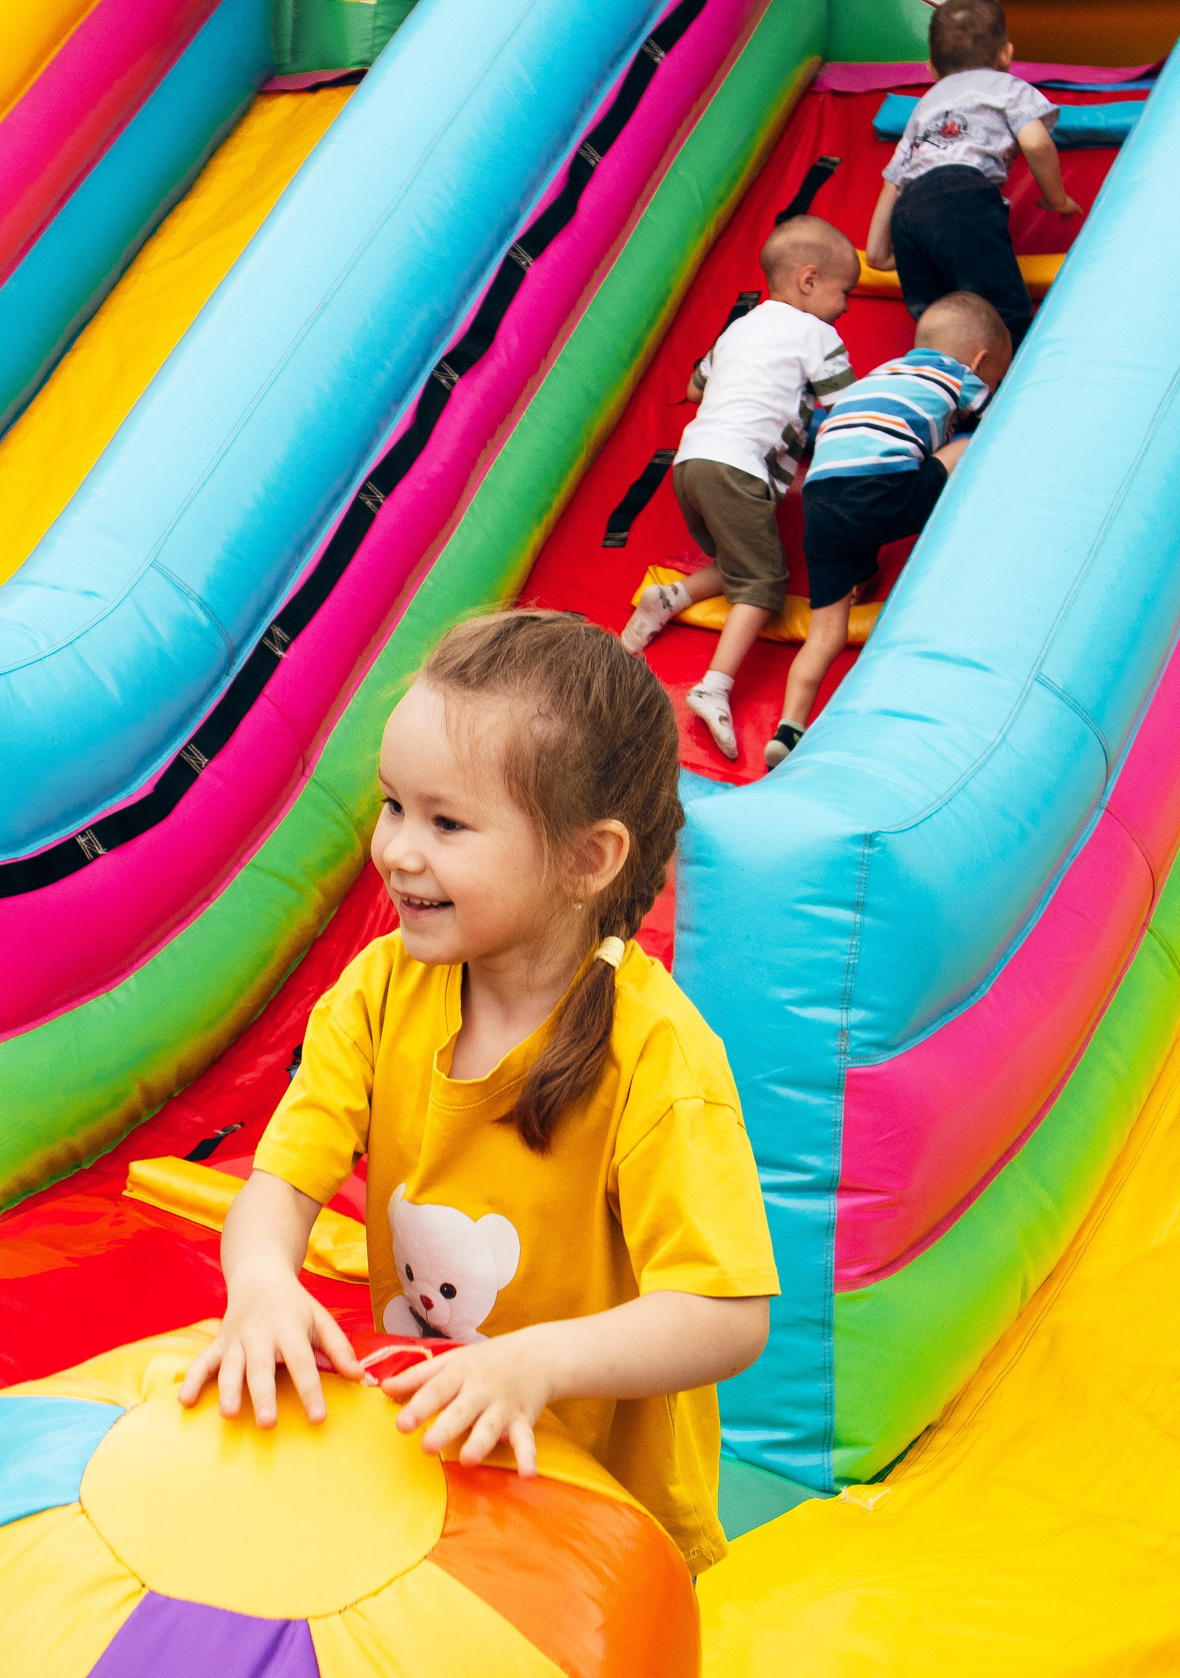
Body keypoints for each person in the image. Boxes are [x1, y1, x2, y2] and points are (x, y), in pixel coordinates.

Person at [179, 610, 780, 1573]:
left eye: (447, 822)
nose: (397, 850)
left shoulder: (657, 1058)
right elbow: (281, 1184)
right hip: (429, 1478)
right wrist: (259, 1282)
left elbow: (726, 1312)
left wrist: (536, 1363)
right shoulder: (380, 992)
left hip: (601, 1535)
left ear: (589, 858)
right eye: (393, 806)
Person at [621, 215, 859, 760]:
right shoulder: (818, 334)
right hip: (738, 470)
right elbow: (849, 408)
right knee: (764, 583)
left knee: (740, 560)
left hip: (691, 464)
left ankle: (669, 598)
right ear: (808, 279)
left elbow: (692, 386)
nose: (846, 306)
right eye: (843, 291)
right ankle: (715, 687)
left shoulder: (740, 327)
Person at [766, 292, 1011, 769]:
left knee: (825, 632)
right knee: (967, 443)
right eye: (992, 375)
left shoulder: (881, 374)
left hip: (819, 497)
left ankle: (787, 728)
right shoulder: (958, 374)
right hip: (878, 491)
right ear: (979, 361)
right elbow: (1002, 411)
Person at [864, 0, 1080, 353]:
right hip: (962, 196)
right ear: (1006, 54)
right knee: (1001, 312)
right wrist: (1056, 198)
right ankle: (1011, 391)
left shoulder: (924, 105)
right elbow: (1036, 142)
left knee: (939, 325)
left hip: (908, 213)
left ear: (931, 67)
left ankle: (950, 390)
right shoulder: (1007, 86)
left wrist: (878, 253)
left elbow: (895, 179)